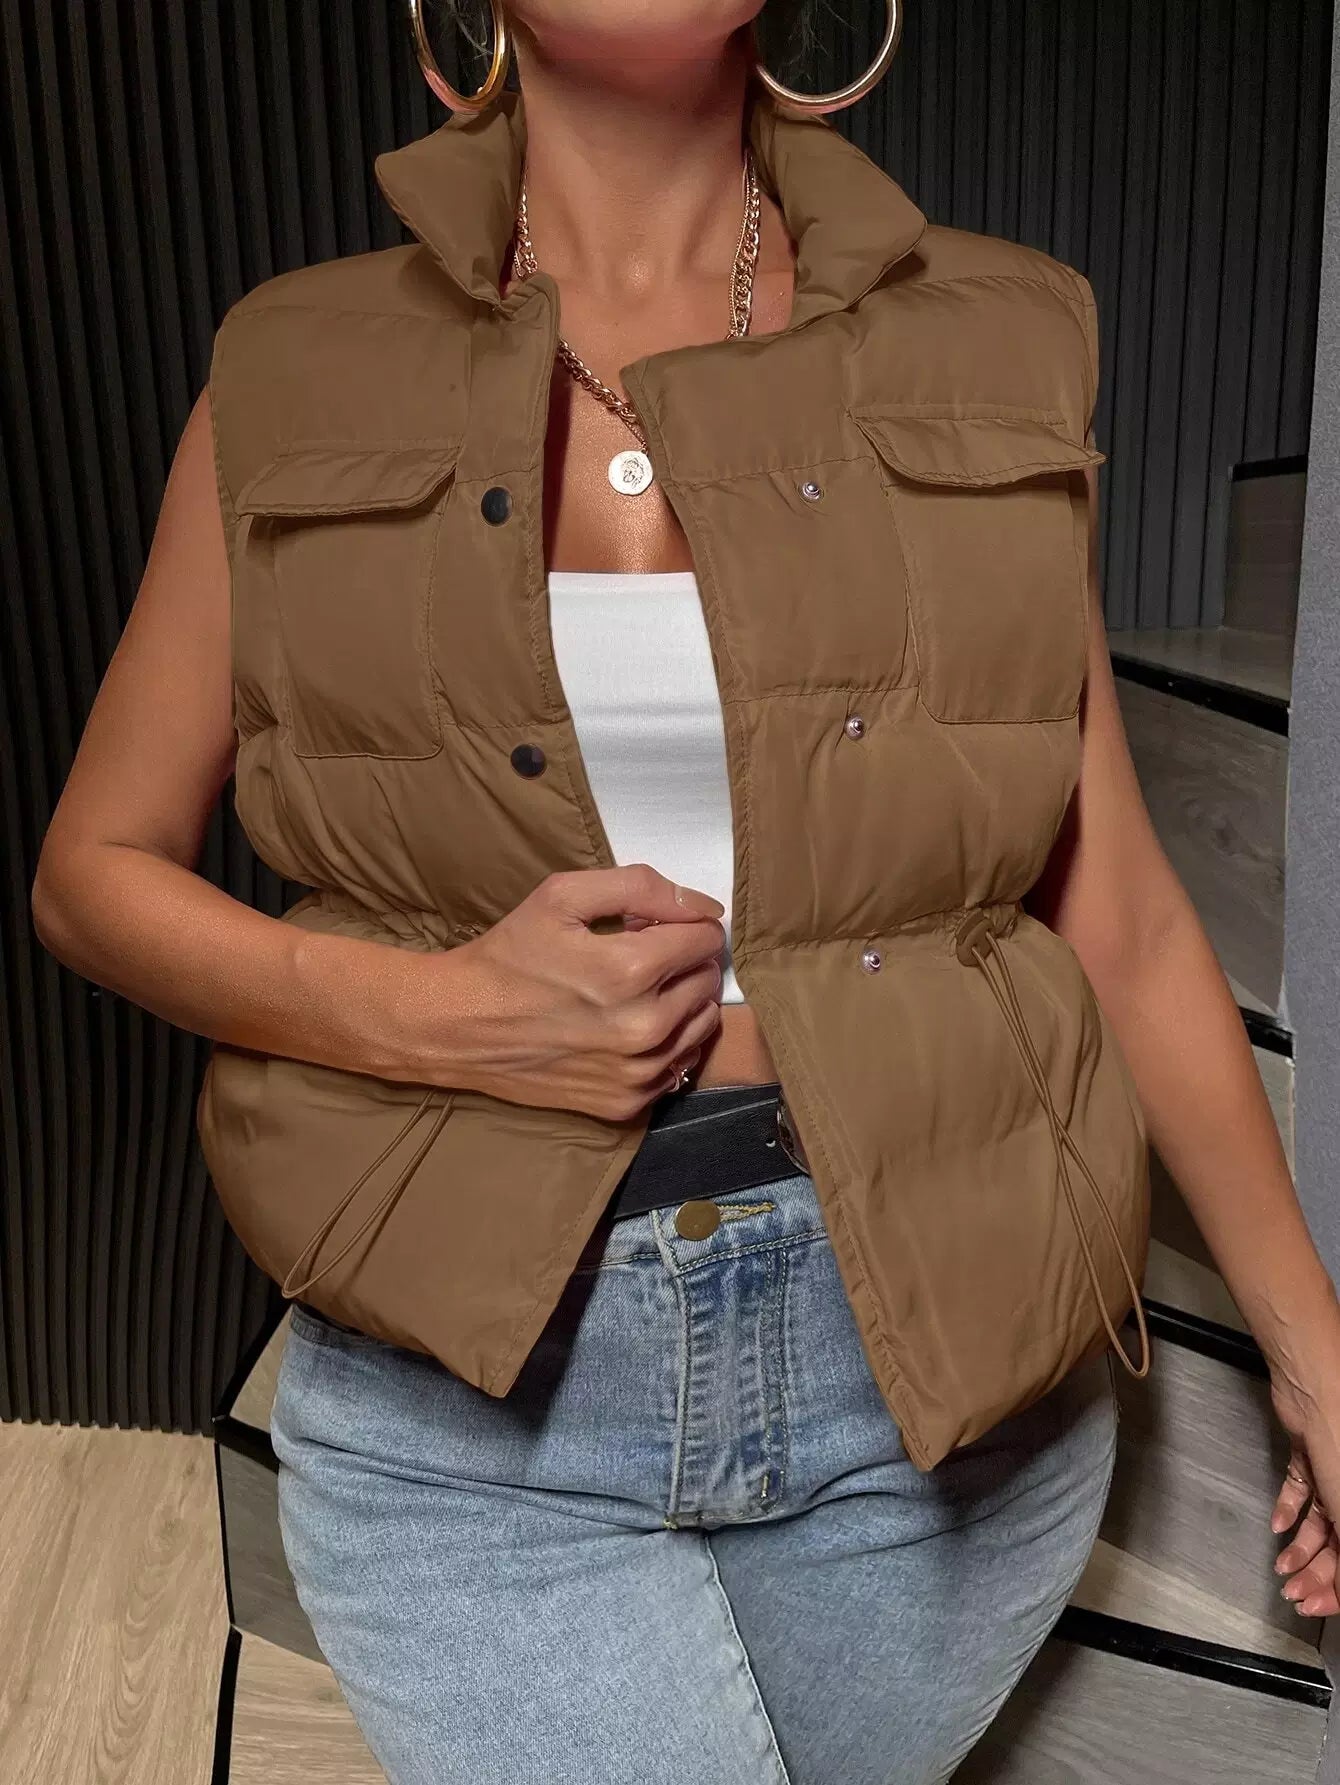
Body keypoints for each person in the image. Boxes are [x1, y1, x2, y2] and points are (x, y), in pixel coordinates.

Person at [30, 3, 1340, 1781]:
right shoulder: (292, 370)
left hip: (937, 1403)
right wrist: (448, 1016)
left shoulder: (999, 338)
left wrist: (1313, 1354)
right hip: (466, 1415)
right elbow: (92, 878)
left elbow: (1113, 910)